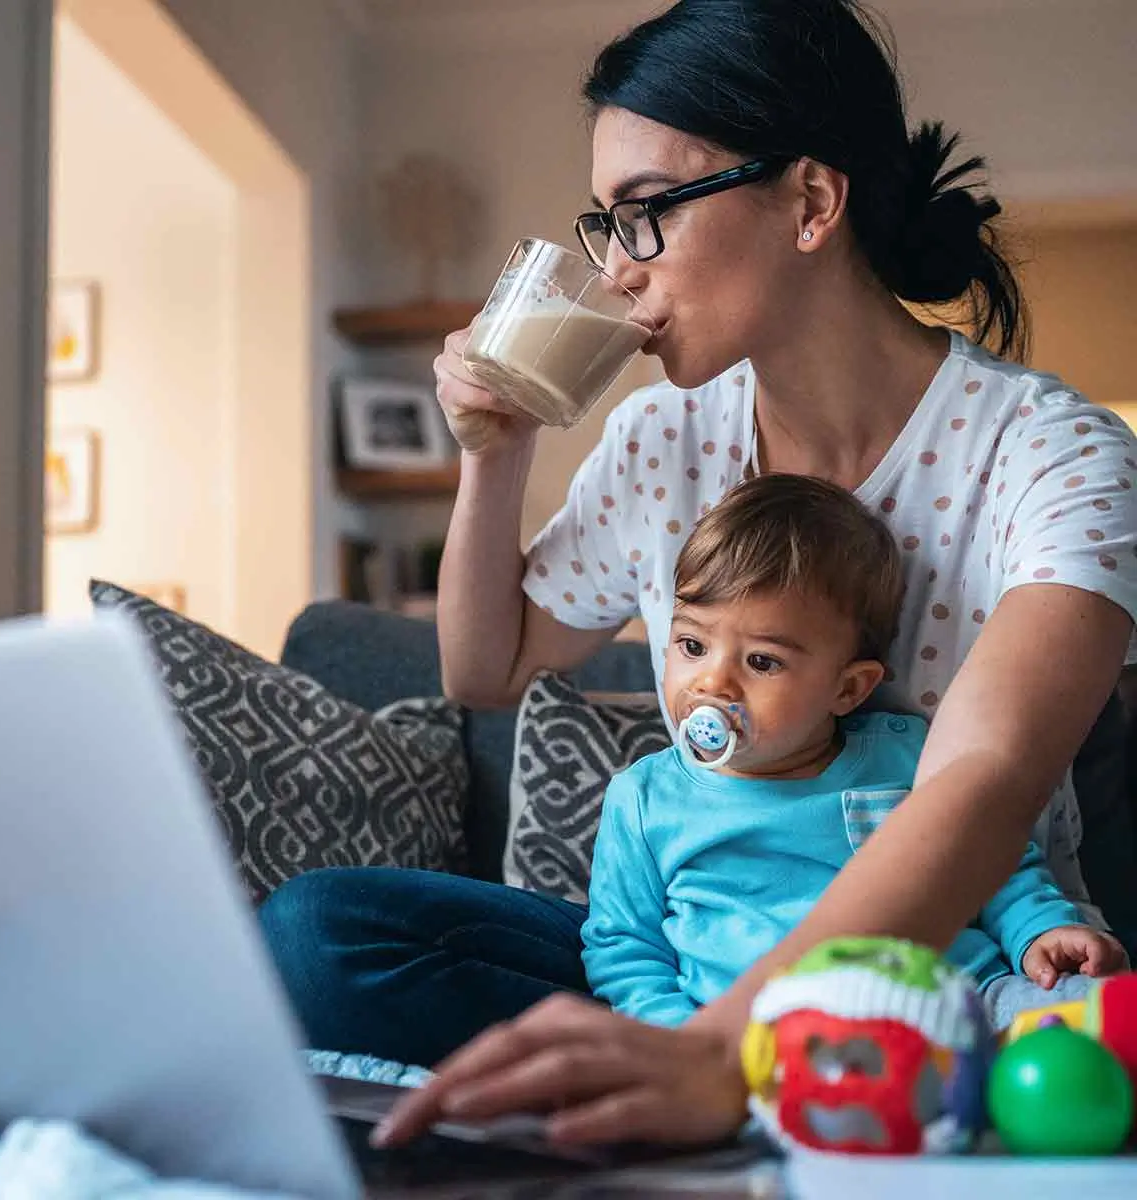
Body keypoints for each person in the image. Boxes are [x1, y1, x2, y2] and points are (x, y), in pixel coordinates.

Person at [259, 0, 1137, 1151]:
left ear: (811, 203)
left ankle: (734, 1086)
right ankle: (687, 1083)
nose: (619, 273)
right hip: (696, 970)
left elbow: (976, 786)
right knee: (321, 931)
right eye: (605, 226)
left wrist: (727, 1047)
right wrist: (496, 453)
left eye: (644, 216)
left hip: (956, 971)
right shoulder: (659, 438)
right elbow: (487, 670)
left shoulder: (1056, 457)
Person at [582, 473, 1127, 1034]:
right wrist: (680, 1042)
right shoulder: (644, 801)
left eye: (763, 662)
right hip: (761, 1044)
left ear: (848, 689)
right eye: (692, 646)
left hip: (962, 1005)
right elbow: (625, 949)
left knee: (1091, 1016)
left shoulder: (909, 756)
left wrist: (1040, 930)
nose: (713, 683)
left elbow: (995, 864)